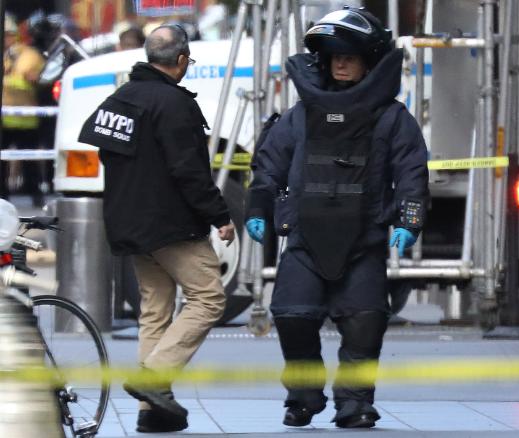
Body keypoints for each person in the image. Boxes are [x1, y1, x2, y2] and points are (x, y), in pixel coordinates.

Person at [245, 7, 429, 429]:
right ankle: (304, 396)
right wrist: (257, 207)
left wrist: (408, 221)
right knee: (292, 316)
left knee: (365, 326)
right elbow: (268, 166)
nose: (340, 61)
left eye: (349, 54)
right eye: (334, 55)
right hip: (305, 240)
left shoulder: (392, 118)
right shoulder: (300, 115)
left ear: (370, 60)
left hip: (363, 242)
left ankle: (354, 403)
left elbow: (412, 174)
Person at [77, 24, 235, 433]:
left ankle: (153, 414)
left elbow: (110, 158)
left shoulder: (120, 98)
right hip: (171, 226)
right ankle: (154, 379)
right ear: (181, 60)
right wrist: (219, 215)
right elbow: (189, 171)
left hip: (128, 223)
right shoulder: (173, 103)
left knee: (155, 309)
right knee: (208, 299)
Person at [2, 15, 45, 204]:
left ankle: (35, 193)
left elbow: (36, 79)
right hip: (4, 119)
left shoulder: (30, 55)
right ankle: (3, 194)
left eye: (7, 35)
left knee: (29, 159)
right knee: (2, 161)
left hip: (26, 116)